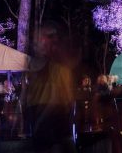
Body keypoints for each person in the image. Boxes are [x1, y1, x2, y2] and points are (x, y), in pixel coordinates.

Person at [25, 22, 76, 153]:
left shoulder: (56, 67)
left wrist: (39, 122)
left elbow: (56, 99)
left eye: (42, 38)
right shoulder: (32, 66)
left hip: (51, 123)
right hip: (42, 120)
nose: (39, 42)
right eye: (37, 39)